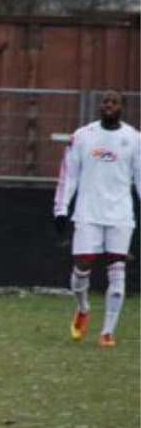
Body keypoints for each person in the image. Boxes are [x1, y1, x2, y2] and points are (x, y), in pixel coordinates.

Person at [53, 89, 140, 347]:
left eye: (114, 102)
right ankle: (82, 308)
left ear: (122, 107)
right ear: (99, 106)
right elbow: (69, 176)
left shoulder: (134, 139)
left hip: (120, 214)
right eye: (105, 102)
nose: (109, 105)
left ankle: (107, 331)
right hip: (88, 212)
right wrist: (60, 210)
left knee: (117, 267)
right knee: (83, 265)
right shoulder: (83, 136)